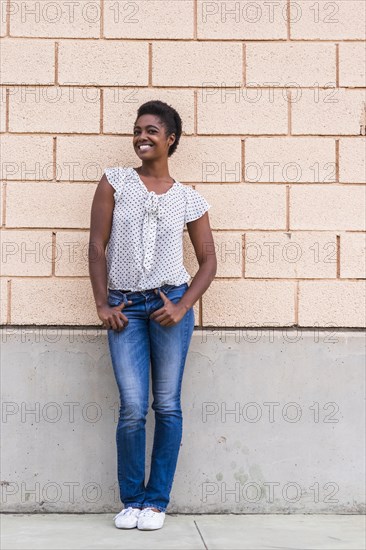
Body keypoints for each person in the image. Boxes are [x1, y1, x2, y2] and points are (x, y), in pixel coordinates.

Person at [88, 100, 217, 530]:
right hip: (125, 308)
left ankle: (156, 502)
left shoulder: (188, 198)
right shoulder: (115, 182)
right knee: (132, 406)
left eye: (152, 131)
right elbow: (96, 246)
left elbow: (208, 260)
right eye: (138, 130)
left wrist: (182, 306)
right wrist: (102, 302)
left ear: (170, 140)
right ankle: (131, 500)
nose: (142, 137)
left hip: (169, 307)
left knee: (167, 405)